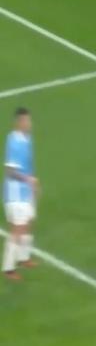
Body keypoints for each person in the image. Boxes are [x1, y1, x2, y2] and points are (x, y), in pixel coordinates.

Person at [2, 107, 39, 280]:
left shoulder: (27, 138)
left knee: (28, 222)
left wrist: (33, 184)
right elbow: (10, 171)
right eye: (26, 120)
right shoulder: (14, 142)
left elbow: (28, 165)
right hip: (15, 193)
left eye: (29, 120)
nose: (29, 123)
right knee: (17, 229)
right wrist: (27, 180)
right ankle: (8, 268)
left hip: (26, 190)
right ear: (19, 122)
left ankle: (24, 258)